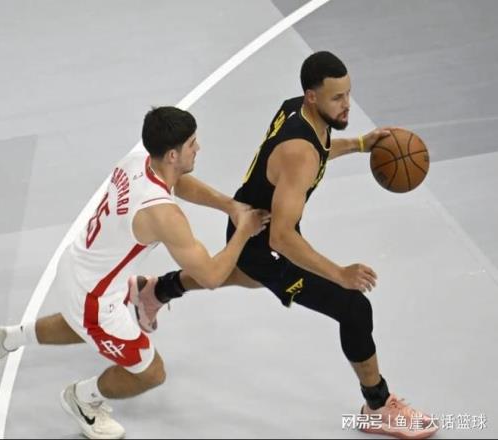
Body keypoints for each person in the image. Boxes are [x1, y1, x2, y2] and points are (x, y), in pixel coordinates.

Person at [131, 52, 439, 439]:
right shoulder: (299, 154)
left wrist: (359, 144)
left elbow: (317, 150)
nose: (346, 104)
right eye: (337, 98)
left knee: (244, 276)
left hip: (252, 222)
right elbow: (283, 235)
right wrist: (340, 274)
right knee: (353, 307)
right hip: (265, 240)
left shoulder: (296, 111)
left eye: (348, 94)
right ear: (312, 96)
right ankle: (377, 406)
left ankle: (155, 290)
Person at [0, 106, 270, 439]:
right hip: (95, 299)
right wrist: (244, 230)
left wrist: (229, 206)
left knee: (82, 325)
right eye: (192, 144)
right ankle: (83, 399)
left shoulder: (140, 157)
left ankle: (7, 338)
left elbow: (178, 181)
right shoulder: (162, 215)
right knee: (152, 372)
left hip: (77, 266)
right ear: (172, 155)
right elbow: (211, 276)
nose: (198, 148)